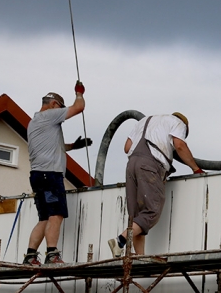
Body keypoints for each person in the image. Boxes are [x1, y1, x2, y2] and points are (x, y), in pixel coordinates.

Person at [108, 113, 204, 257]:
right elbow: (179, 145)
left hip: (132, 165)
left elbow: (127, 147)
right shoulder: (179, 123)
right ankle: (120, 240)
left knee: (137, 217)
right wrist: (196, 169)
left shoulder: (144, 121)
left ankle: (140, 257)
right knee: (152, 211)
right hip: (149, 165)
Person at [23, 82, 91, 266]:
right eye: (60, 108)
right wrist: (79, 93)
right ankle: (52, 254)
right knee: (56, 214)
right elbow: (79, 107)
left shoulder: (34, 122)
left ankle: (30, 256)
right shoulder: (50, 115)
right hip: (51, 175)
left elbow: (54, 148)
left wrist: (74, 146)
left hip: (37, 175)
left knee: (44, 217)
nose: (61, 113)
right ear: (54, 105)